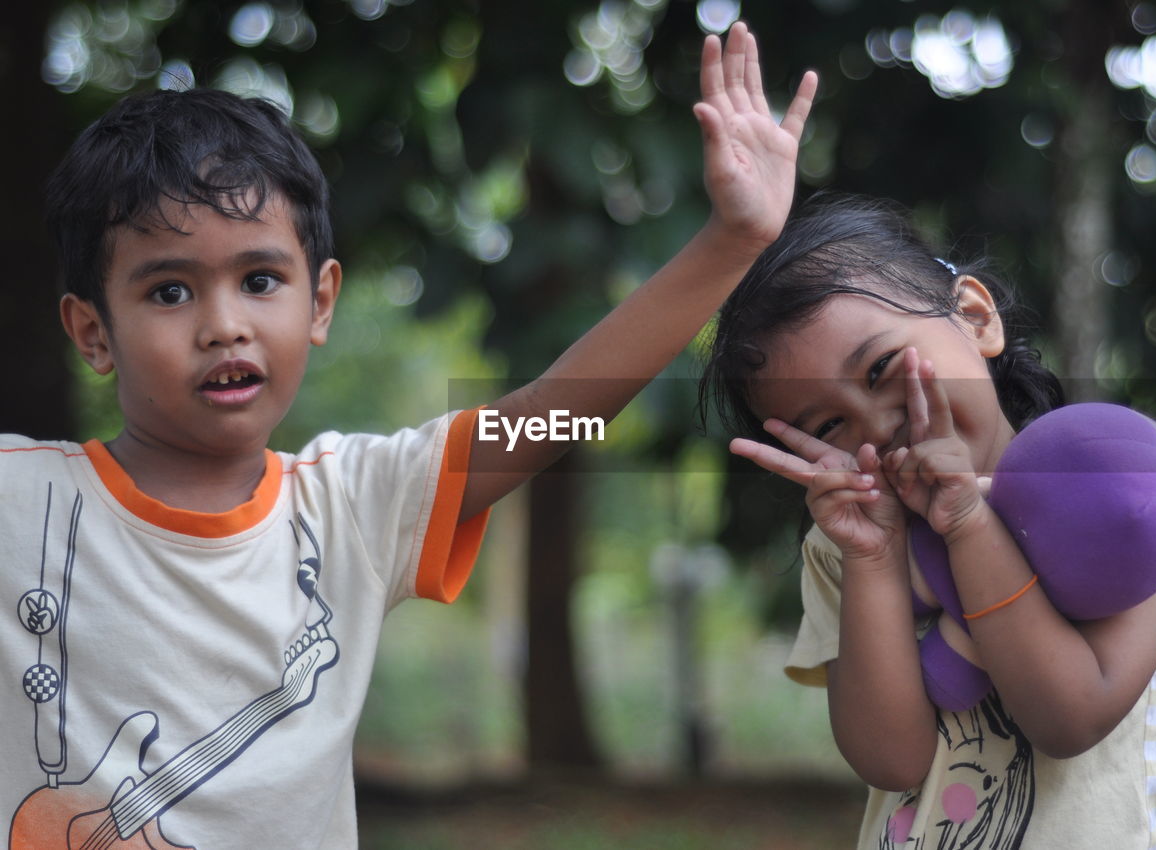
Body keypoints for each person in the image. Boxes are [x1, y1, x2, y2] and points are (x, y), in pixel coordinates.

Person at [1, 23, 816, 848]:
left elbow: (555, 417)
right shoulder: (18, 500)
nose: (224, 327)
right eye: (169, 292)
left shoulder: (353, 506)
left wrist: (731, 244)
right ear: (92, 333)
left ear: (319, 302)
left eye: (258, 281)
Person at [702, 194, 1156, 848]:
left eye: (883, 367)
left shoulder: (1117, 494)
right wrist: (873, 561)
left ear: (975, 318)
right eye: (830, 425)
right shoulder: (845, 547)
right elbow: (893, 759)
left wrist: (970, 525)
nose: (879, 424)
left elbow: (1070, 718)